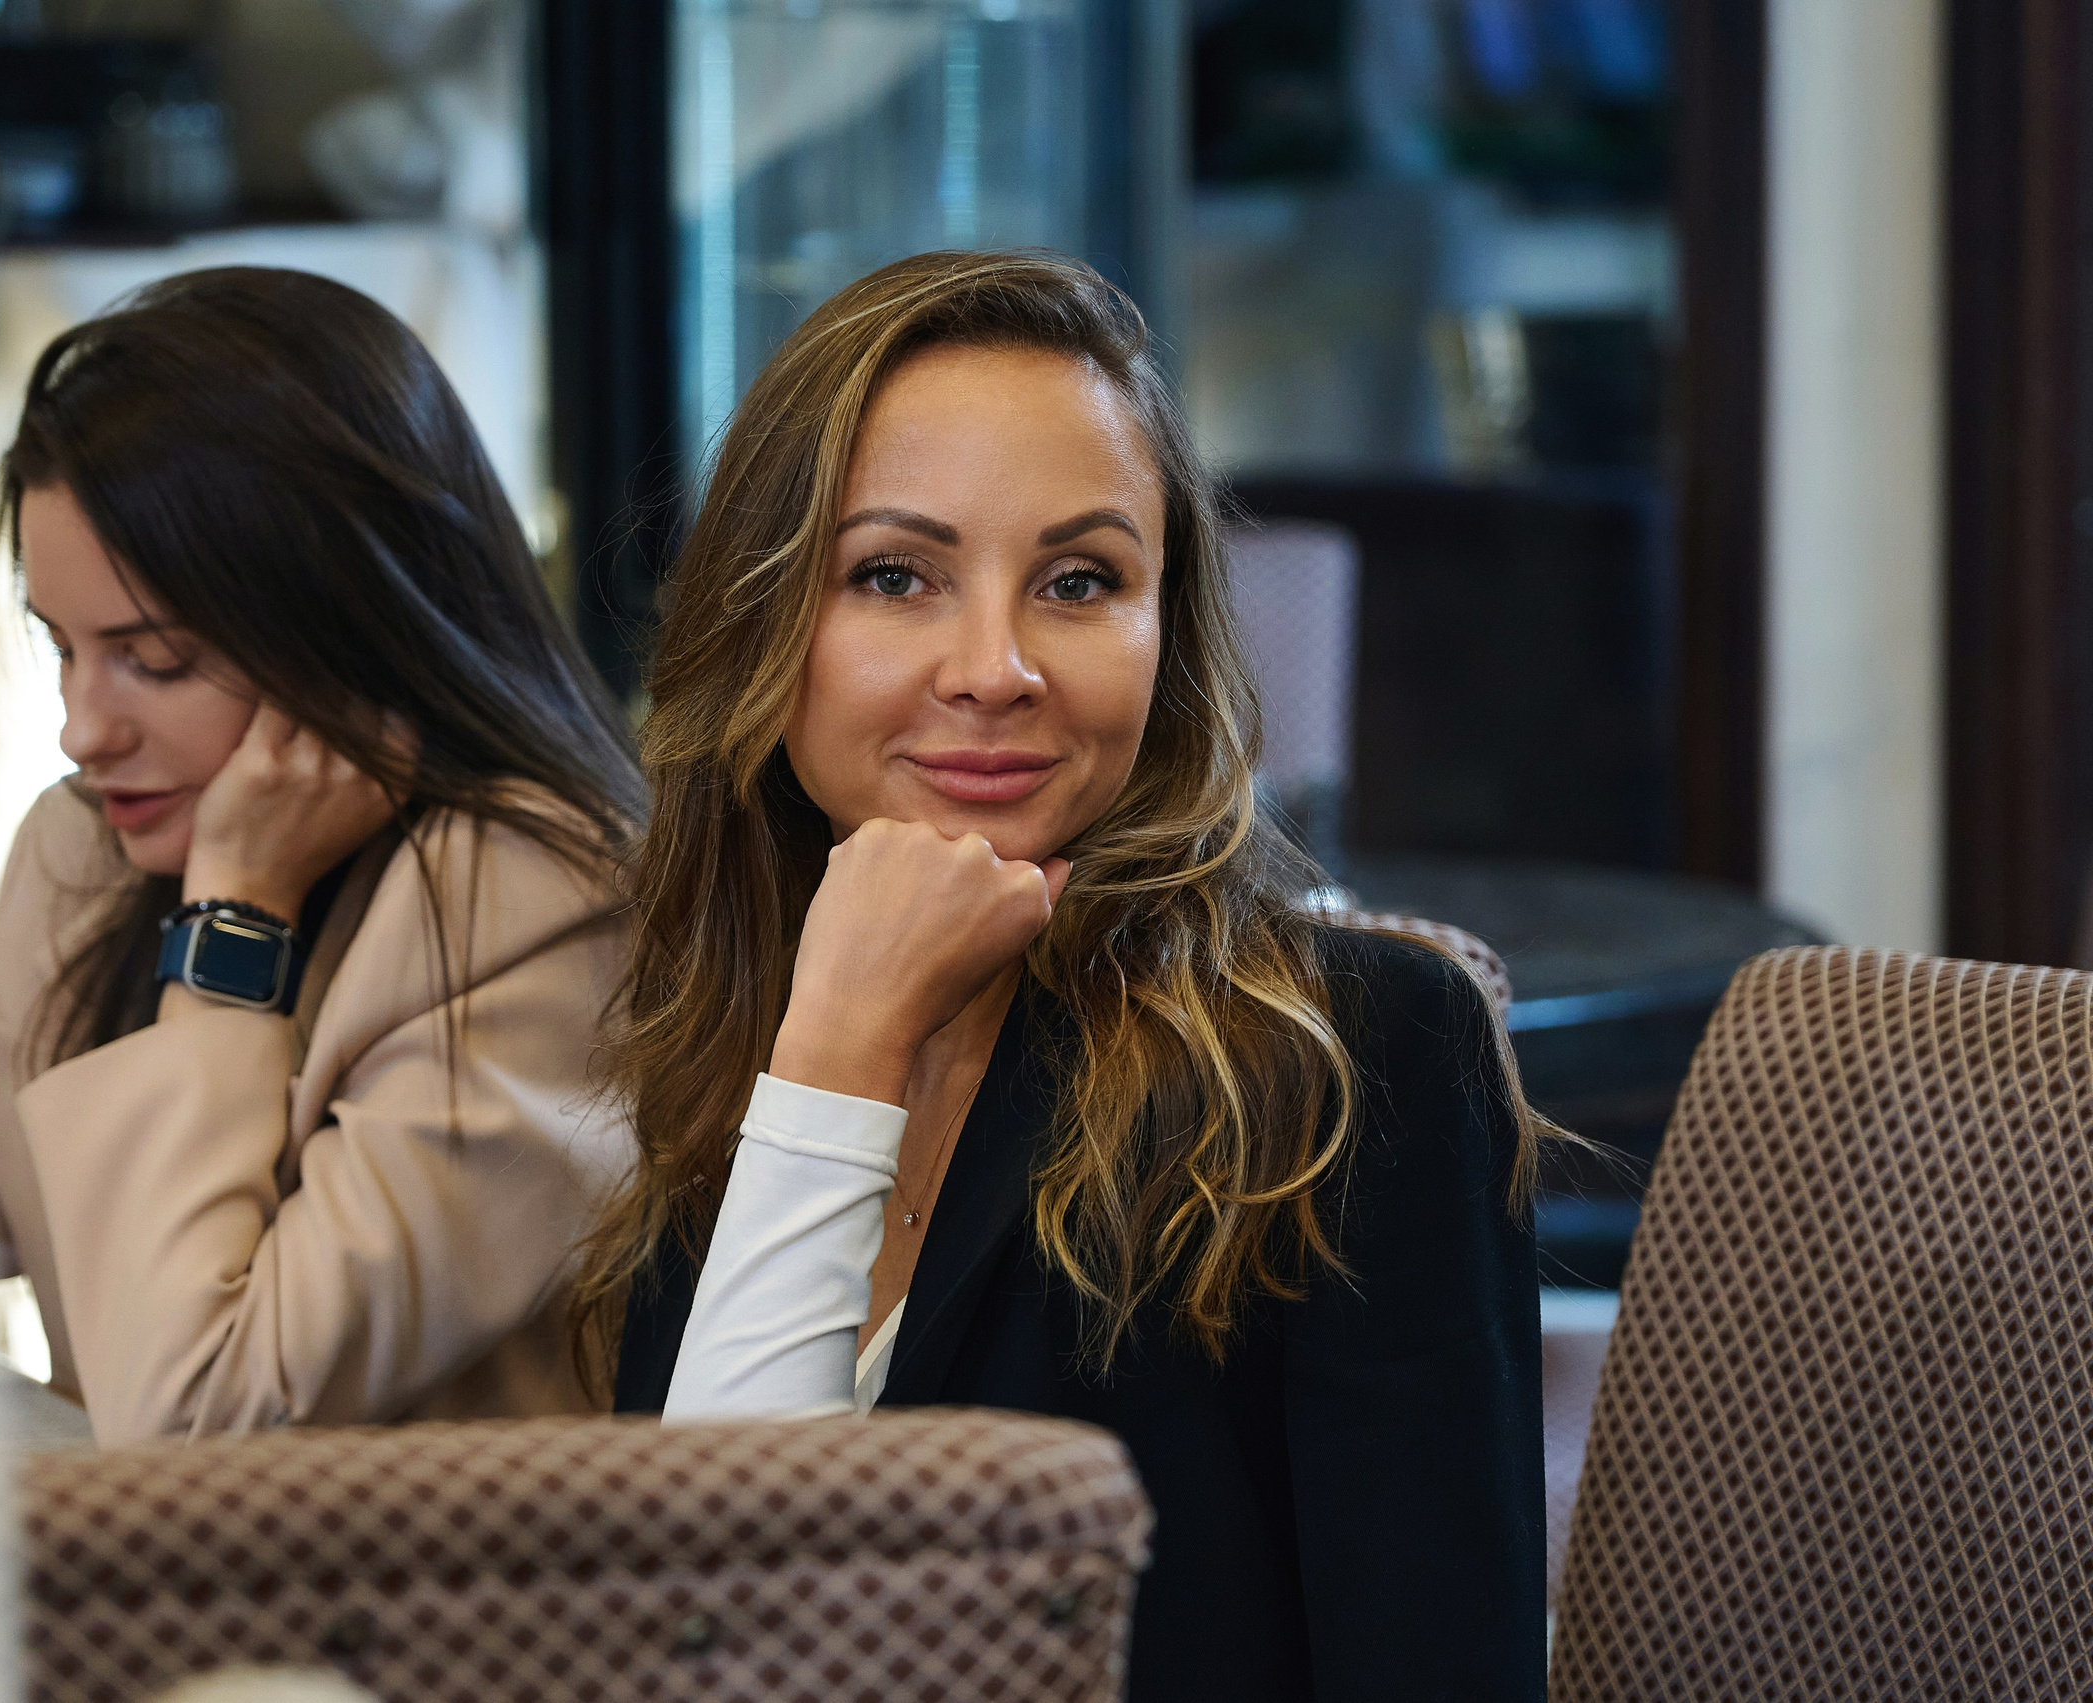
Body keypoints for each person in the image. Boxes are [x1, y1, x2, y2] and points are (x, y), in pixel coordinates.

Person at [583, 251, 1551, 1700]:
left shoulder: (1351, 1061)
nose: (995, 667)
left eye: (1080, 580)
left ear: (1167, 633)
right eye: (895, 575)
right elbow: (689, 1637)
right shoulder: (734, 1025)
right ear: (766, 621)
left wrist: (838, 1043)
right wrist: (834, 1049)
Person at [0, 267, 641, 1446]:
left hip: (420, 1623)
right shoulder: (85, 848)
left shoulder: (539, 905)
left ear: (348, 624)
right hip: (152, 1615)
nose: (82, 727)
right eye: (59, 648)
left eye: (152, 659)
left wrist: (236, 919)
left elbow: (199, 1422)